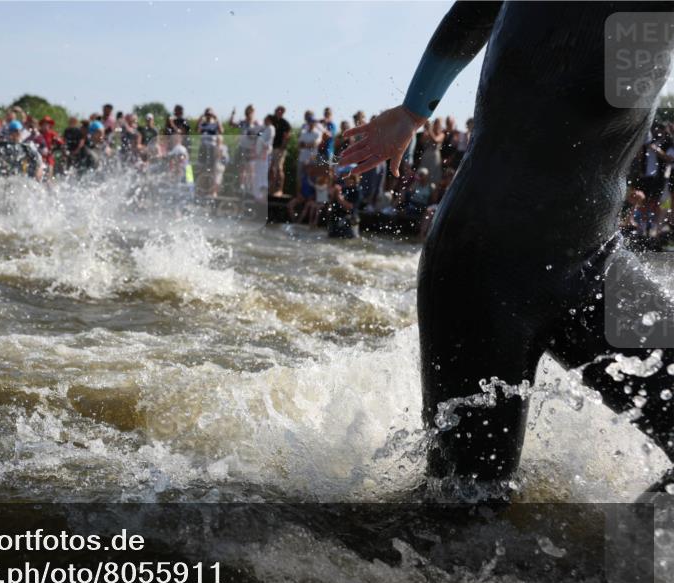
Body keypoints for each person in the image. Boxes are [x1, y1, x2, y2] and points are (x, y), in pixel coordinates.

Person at [340, 1, 674, 496]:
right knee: (467, 511)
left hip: (594, 261)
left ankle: (625, 567)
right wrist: (414, 110)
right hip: (483, 265)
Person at [269, 106, 291, 196]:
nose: (278, 112)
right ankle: (272, 188)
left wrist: (282, 148)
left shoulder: (285, 123)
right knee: (271, 169)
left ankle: (279, 189)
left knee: (279, 168)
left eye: (280, 111)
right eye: (277, 110)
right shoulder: (272, 121)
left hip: (280, 149)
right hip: (272, 148)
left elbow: (287, 137)